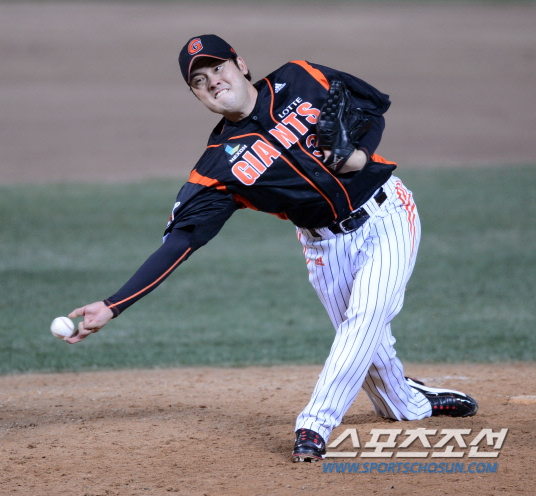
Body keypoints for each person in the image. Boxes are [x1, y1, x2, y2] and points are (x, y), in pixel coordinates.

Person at [66, 34, 478, 463]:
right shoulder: (219, 165)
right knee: (377, 368)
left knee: (365, 316)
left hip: (388, 214)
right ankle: (410, 401)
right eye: (199, 81)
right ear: (197, 96)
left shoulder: (299, 78)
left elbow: (369, 107)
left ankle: (314, 424)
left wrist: (360, 154)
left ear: (241, 64)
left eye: (218, 68)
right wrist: (113, 305)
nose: (213, 81)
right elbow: (182, 240)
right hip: (325, 248)